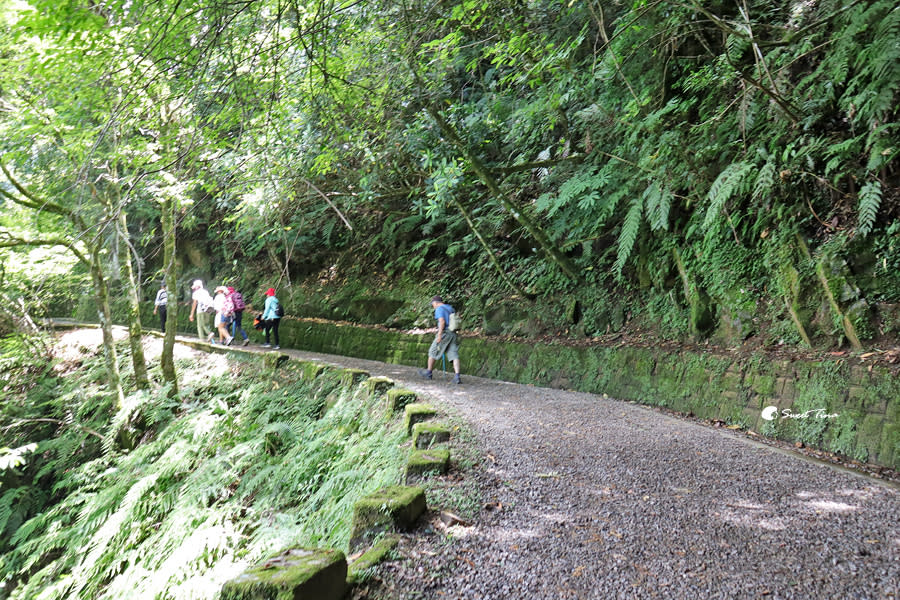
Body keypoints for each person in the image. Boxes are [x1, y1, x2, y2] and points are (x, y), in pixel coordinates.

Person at [419, 295, 461, 384]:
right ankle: (457, 376)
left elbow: (442, 321)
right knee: (454, 355)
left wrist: (439, 335)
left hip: (444, 333)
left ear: (436, 302)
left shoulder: (439, 309)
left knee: (432, 351)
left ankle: (429, 373)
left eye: (433, 304)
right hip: (453, 334)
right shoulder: (450, 308)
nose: (433, 306)